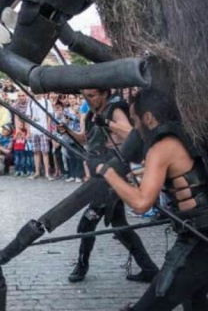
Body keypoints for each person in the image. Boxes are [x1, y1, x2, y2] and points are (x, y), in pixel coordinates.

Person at [96, 89, 208, 311]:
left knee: (150, 306)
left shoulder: (162, 147)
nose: (135, 127)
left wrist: (106, 172)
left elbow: (141, 203)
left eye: (136, 120)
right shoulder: (192, 134)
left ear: (149, 118)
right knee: (195, 299)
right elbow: (190, 174)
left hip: (204, 243)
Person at [61, 88, 158, 283]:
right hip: (100, 174)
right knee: (120, 226)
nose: (89, 100)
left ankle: (81, 266)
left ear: (105, 94)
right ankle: (149, 269)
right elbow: (86, 139)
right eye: (86, 96)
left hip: (112, 174)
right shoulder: (91, 114)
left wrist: (107, 123)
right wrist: (68, 132)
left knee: (89, 222)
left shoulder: (114, 110)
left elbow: (131, 134)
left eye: (93, 95)